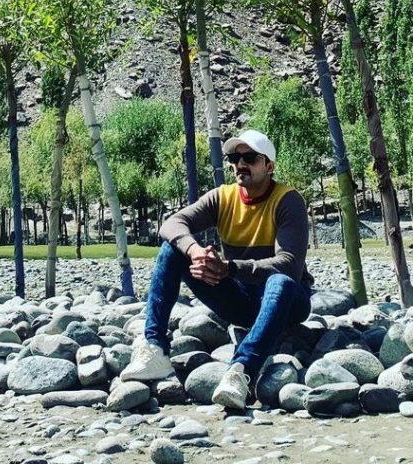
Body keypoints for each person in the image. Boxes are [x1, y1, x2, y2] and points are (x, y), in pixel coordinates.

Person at [121, 128, 313, 409]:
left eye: (250, 158)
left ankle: (241, 371)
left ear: (269, 166)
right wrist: (196, 252)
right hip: (241, 300)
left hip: (288, 303)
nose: (240, 165)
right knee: (172, 248)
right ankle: (155, 348)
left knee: (280, 282)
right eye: (235, 158)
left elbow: (290, 264)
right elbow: (171, 225)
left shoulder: (288, 201)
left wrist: (230, 268)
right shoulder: (223, 197)